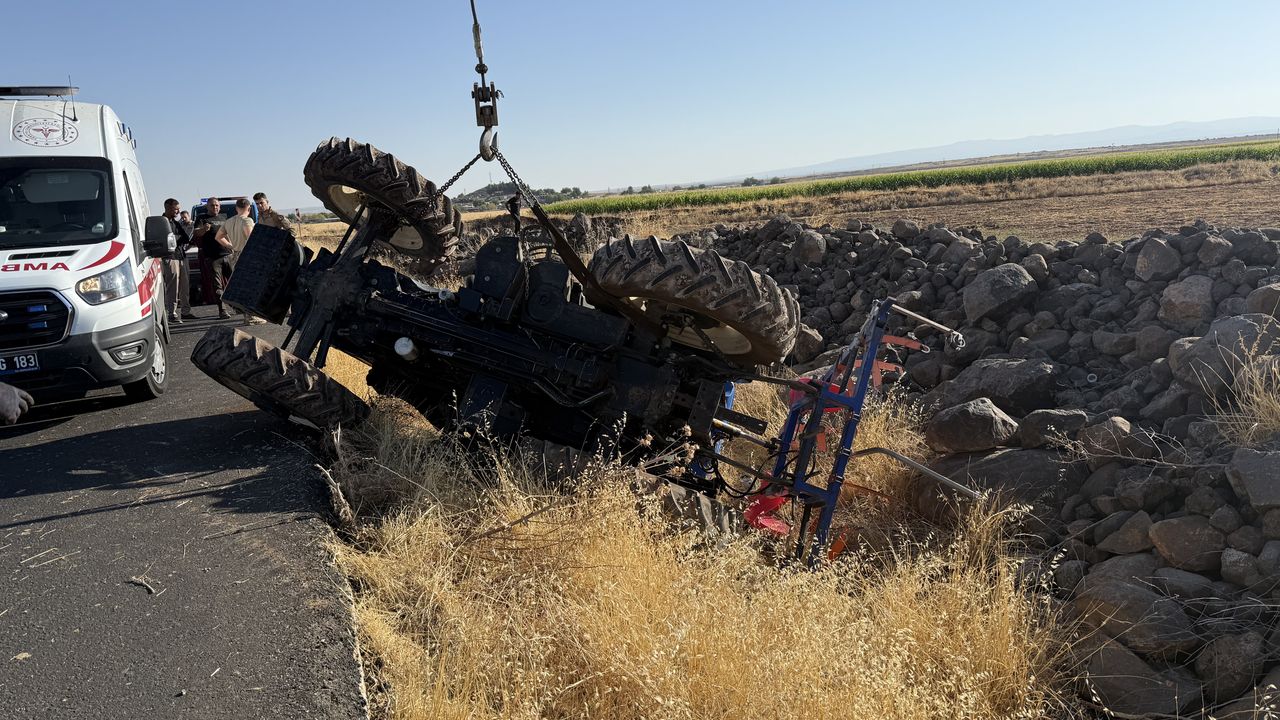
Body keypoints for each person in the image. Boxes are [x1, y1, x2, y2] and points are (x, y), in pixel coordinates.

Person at [214, 198, 264, 324]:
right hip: (247, 255)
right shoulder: (247, 220)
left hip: (235, 254)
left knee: (242, 286)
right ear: (249, 208)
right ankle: (251, 317)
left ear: (236, 208)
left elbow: (218, 237)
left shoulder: (229, 221)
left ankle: (247, 315)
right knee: (251, 286)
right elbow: (251, 238)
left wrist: (231, 246)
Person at [159, 198, 193, 323]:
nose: (178, 211)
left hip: (181, 256)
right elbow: (168, 239)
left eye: (179, 208)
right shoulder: (162, 223)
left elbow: (184, 238)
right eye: (176, 209)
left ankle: (185, 311)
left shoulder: (176, 222)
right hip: (170, 257)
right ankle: (171, 313)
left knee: (185, 285)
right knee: (173, 286)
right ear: (168, 208)